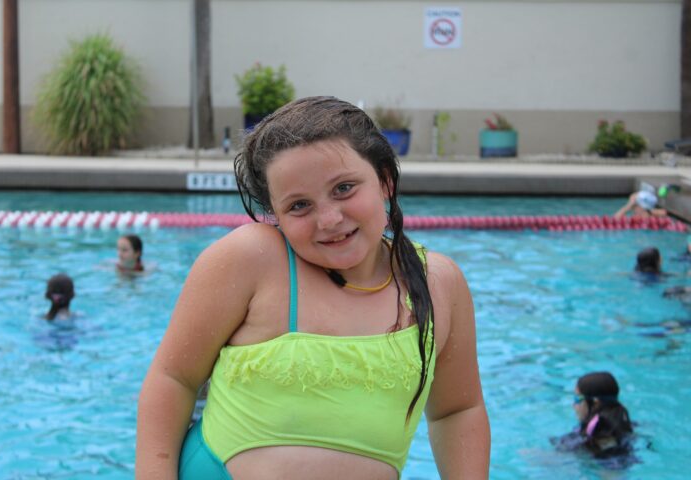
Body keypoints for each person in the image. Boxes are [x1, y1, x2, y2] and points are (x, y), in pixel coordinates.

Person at [136, 96, 490, 479]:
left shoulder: (437, 284)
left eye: (344, 188)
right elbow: (173, 379)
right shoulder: (253, 259)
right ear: (275, 214)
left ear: (385, 180)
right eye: (299, 206)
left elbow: (457, 410)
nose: (329, 219)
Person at [571, 372, 634, 458]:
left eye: (577, 399)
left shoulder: (598, 439)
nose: (573, 405)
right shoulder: (626, 425)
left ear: (596, 402)